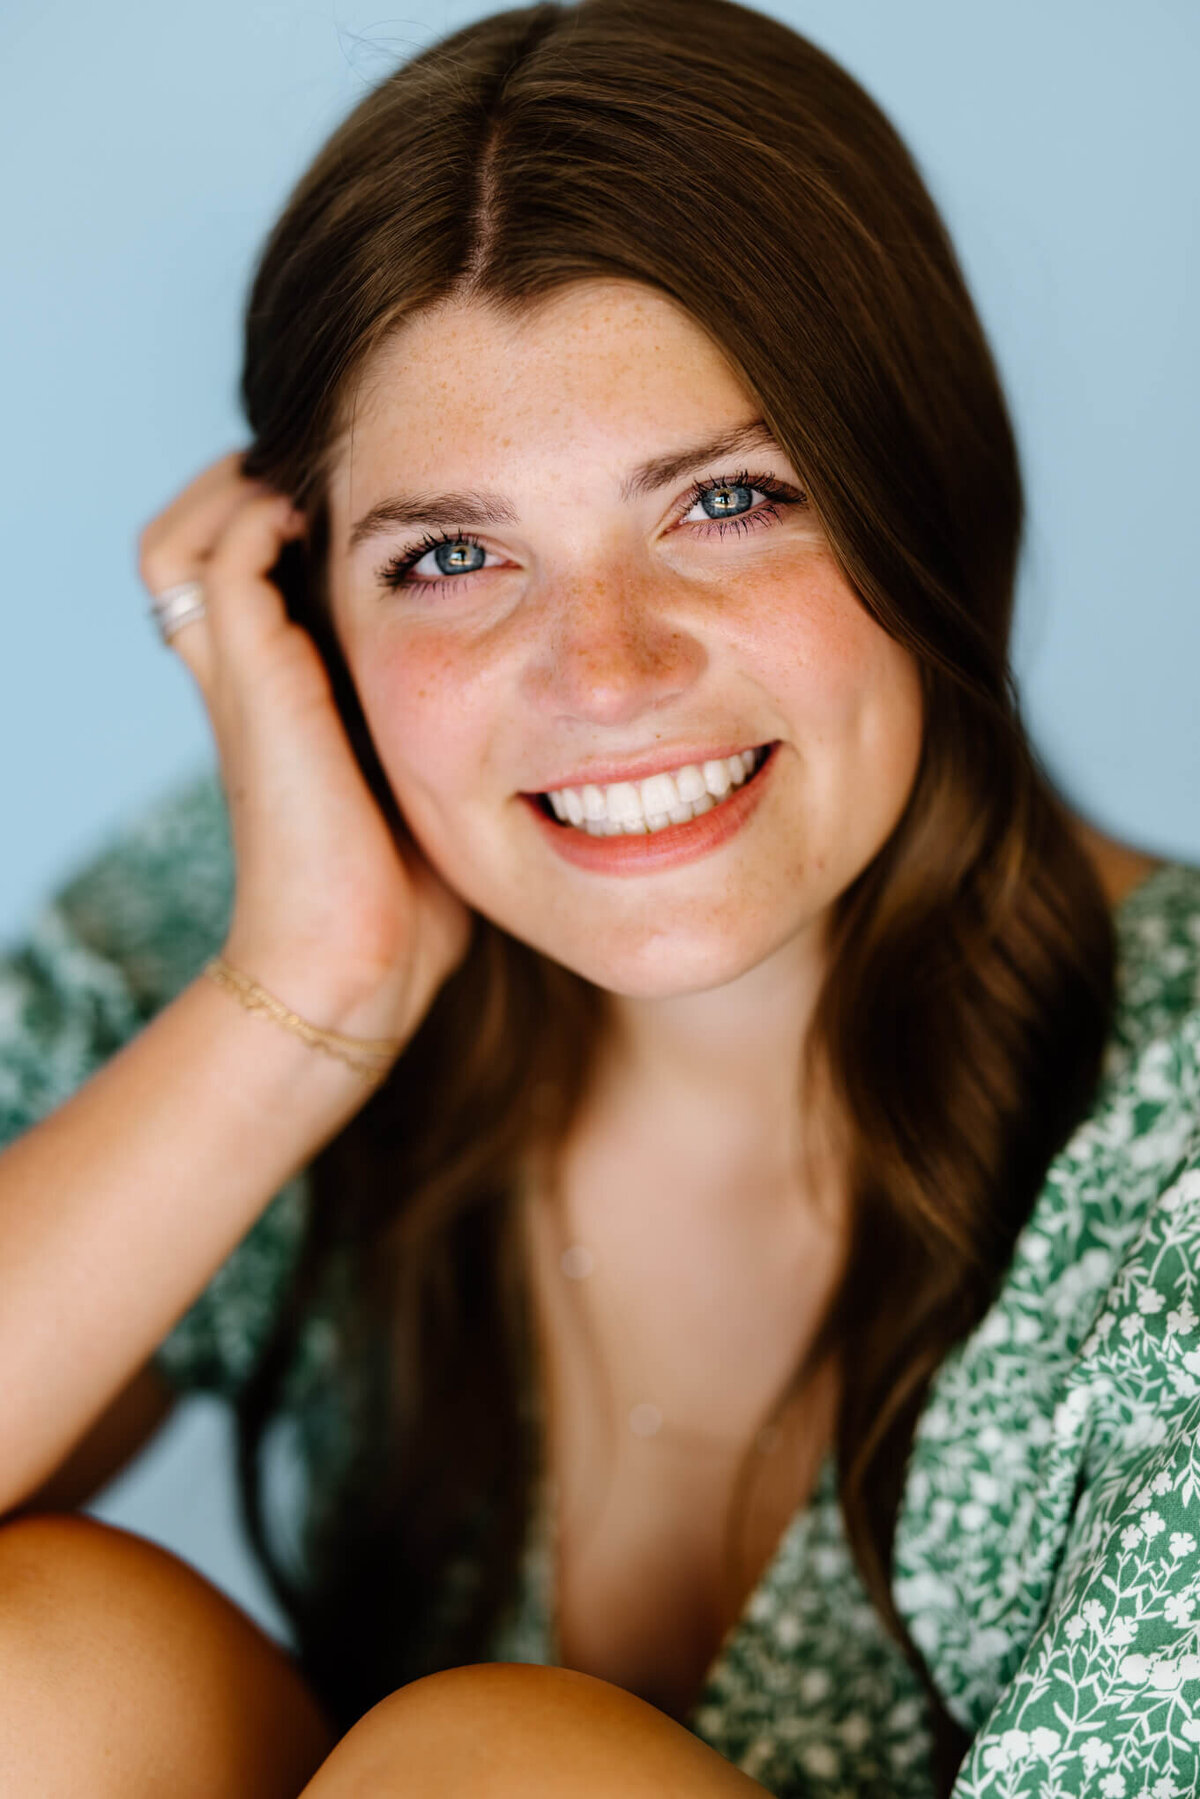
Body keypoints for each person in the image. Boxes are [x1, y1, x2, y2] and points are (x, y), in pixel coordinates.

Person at [0, 0, 1196, 1793]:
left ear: (927, 500)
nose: (607, 671)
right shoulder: (267, 893)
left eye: (728, 500)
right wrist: (305, 998)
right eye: (455, 557)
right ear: (312, 599)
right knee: (42, 1675)